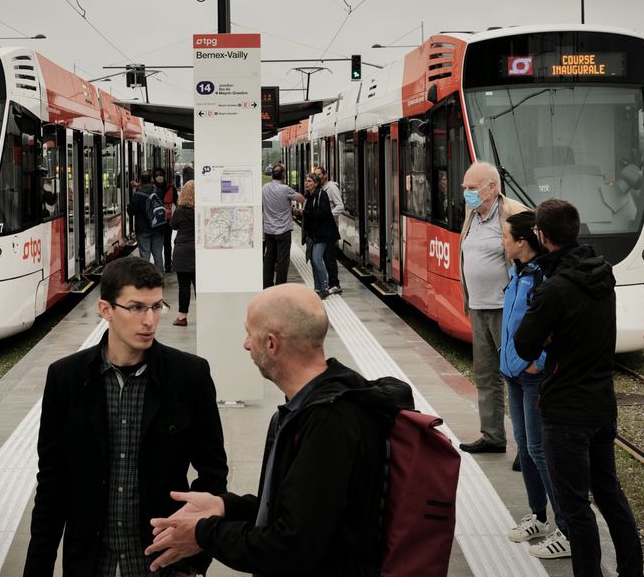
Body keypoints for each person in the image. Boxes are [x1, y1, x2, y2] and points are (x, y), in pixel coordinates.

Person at [144, 283, 416, 576]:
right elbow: (296, 514)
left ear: (271, 344)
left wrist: (203, 534)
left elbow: (291, 546)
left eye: (250, 333)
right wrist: (225, 506)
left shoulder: (330, 421)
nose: (246, 344)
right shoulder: (311, 405)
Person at [25, 257, 229, 577]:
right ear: (106, 310)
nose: (149, 320)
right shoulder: (66, 379)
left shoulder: (189, 376)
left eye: (156, 306)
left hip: (162, 564)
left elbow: (213, 474)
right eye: (136, 308)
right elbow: (52, 482)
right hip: (89, 563)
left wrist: (192, 561)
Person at [515, 199, 644, 577]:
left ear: (541, 235)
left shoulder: (554, 289)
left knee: (574, 506)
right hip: (602, 403)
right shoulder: (603, 275)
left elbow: (524, 345)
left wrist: (550, 336)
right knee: (609, 493)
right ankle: (631, 570)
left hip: (566, 410)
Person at [500, 210, 569, 558]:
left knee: (541, 451)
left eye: (506, 236)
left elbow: (555, 327)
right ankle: (539, 517)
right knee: (525, 447)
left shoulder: (542, 277)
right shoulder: (518, 271)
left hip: (531, 377)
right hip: (514, 374)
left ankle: (566, 529)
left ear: (523, 242)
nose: (503, 241)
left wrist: (537, 363)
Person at [458, 161, 528, 455]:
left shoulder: (514, 213)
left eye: (472, 189)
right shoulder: (471, 214)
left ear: (492, 188)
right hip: (478, 307)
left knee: (517, 377)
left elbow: (528, 258)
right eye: (465, 189)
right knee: (485, 375)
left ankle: (527, 447)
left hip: (506, 310)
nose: (467, 194)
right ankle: (493, 436)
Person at [261, 165, 304, 288]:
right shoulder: (286, 189)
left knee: (269, 259)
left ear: (272, 175)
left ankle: (267, 285)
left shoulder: (265, 188)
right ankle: (280, 287)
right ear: (284, 175)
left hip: (269, 231)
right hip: (283, 231)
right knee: (282, 261)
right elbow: (301, 199)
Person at [301, 174, 338, 300]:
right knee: (312, 260)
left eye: (309, 181)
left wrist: (305, 212)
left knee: (317, 259)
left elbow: (323, 213)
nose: (307, 183)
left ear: (316, 183)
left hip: (322, 234)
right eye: (306, 181)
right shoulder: (308, 196)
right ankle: (317, 288)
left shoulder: (322, 195)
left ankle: (324, 287)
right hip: (312, 234)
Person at [312, 166, 343, 295]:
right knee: (324, 257)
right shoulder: (320, 189)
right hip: (322, 230)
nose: (317, 176)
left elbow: (340, 206)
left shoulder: (332, 188)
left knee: (330, 257)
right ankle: (329, 283)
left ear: (325, 175)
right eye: (315, 174)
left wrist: (326, 215)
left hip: (329, 229)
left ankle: (335, 284)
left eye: (320, 174)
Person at [170, 180, 196, 326]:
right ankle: (205, 313)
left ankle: (182, 317)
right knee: (200, 286)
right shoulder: (201, 210)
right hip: (197, 252)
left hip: (182, 252)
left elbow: (172, 226)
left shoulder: (179, 211)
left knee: (183, 286)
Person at [130, 172, 164, 269]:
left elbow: (131, 211)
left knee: (145, 255)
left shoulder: (137, 195)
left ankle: (146, 278)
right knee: (158, 254)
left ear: (140, 181)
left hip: (143, 229)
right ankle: (160, 277)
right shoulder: (158, 191)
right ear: (152, 180)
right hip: (158, 226)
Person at [154, 168, 177, 273]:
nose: (159, 177)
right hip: (167, 220)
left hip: (158, 221)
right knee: (167, 243)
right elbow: (176, 202)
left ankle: (162, 266)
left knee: (159, 244)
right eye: (157, 175)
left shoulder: (153, 189)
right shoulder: (171, 188)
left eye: (160, 175)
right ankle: (167, 265)